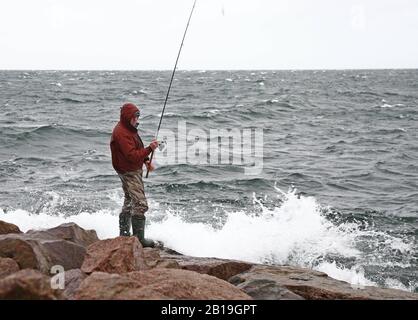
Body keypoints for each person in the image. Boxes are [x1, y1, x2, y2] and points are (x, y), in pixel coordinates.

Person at [110, 102, 159, 247]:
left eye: (138, 117)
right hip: (129, 171)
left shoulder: (129, 129)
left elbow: (137, 147)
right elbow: (131, 155)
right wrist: (150, 148)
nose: (137, 120)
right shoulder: (121, 133)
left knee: (129, 200)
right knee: (140, 204)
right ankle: (139, 241)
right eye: (135, 117)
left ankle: (124, 235)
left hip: (128, 169)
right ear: (127, 117)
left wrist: (146, 160)